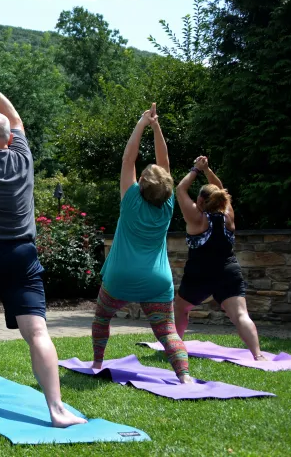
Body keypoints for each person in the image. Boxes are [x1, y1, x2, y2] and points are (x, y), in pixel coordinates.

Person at [0, 54, 86, 428]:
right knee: (36, 331)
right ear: (10, 138)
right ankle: (57, 409)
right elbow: (16, 119)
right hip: (22, 255)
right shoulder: (23, 157)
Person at [91, 104, 194, 383]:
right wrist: (156, 126)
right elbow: (166, 162)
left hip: (120, 276)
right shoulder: (167, 205)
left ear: (141, 185)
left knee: (102, 319)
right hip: (156, 281)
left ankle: (97, 362)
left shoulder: (131, 199)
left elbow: (128, 159)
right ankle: (184, 376)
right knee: (167, 331)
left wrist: (142, 123)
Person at [174, 156, 267, 360]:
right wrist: (208, 170)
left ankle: (174, 349)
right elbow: (220, 189)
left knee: (181, 308)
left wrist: (196, 169)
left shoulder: (196, 217)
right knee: (240, 315)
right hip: (228, 270)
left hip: (199, 273)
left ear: (200, 200)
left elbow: (180, 189)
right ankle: (258, 355)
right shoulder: (228, 215)